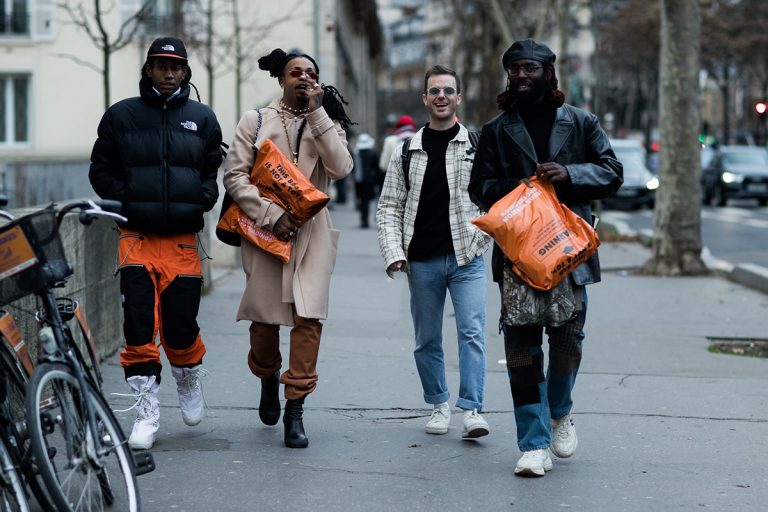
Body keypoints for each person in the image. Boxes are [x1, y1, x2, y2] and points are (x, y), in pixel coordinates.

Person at [468, 39, 623, 477]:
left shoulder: (581, 122)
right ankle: (533, 443)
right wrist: (523, 188)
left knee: (568, 342)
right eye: (515, 69)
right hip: (518, 257)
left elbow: (612, 172)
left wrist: (569, 173)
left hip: (569, 255)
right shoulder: (496, 130)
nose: (521, 75)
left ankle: (560, 411)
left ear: (548, 74)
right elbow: (479, 187)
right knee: (521, 351)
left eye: (530, 69)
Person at [89, 36, 224, 450]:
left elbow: (211, 170)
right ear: (147, 69)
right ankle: (146, 411)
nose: (168, 73)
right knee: (139, 328)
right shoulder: (122, 115)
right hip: (136, 238)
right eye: (161, 65)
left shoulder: (202, 118)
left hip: (182, 240)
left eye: (175, 66)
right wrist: (129, 200)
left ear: (185, 72)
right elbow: (100, 170)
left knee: (181, 328)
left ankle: (187, 376)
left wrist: (202, 198)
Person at [223, 48, 353, 448]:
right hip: (265, 235)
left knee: (309, 321)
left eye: (311, 72)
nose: (304, 77)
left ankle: (295, 408)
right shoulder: (255, 120)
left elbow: (341, 168)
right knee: (263, 325)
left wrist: (318, 115)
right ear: (281, 79)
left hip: (312, 234)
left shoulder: (327, 122)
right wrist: (269, 213)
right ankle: (267, 375)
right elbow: (234, 176)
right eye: (296, 72)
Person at [377, 65, 492, 440]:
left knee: (472, 333)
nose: (441, 96)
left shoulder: (476, 145)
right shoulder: (406, 150)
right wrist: (394, 251)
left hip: (466, 258)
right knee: (427, 338)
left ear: (458, 97)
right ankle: (439, 404)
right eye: (434, 91)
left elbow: (495, 197)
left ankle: (472, 409)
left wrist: (482, 236)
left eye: (448, 90)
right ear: (424, 99)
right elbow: (389, 206)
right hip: (422, 260)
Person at [378, 114, 417, 187]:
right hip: (415, 185)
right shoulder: (420, 140)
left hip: (395, 184)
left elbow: (383, 165)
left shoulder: (389, 141)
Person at [352, 133, 379, 228]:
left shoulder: (356, 153)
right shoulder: (372, 153)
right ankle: (365, 220)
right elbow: (376, 168)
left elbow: (352, 167)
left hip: (358, 180)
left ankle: (363, 219)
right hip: (369, 181)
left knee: (361, 200)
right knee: (366, 201)